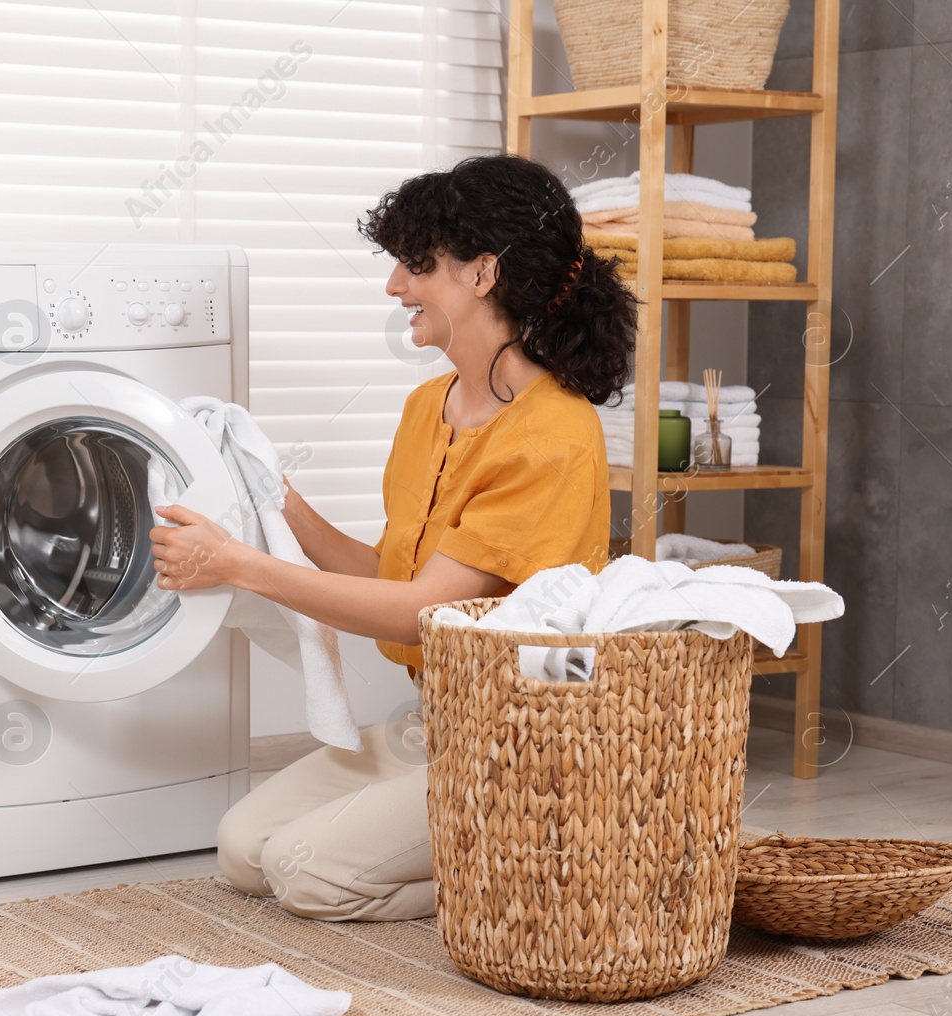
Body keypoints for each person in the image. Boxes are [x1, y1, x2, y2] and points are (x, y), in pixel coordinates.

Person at [148, 153, 637, 921]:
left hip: (522, 736)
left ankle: (550, 855)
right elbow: (395, 571)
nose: (394, 287)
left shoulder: (553, 435)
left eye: (417, 265)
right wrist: (280, 502)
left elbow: (422, 612)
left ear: (483, 274)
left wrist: (238, 566)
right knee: (245, 850)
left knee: (303, 872)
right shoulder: (426, 408)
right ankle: (491, 845)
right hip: (434, 722)